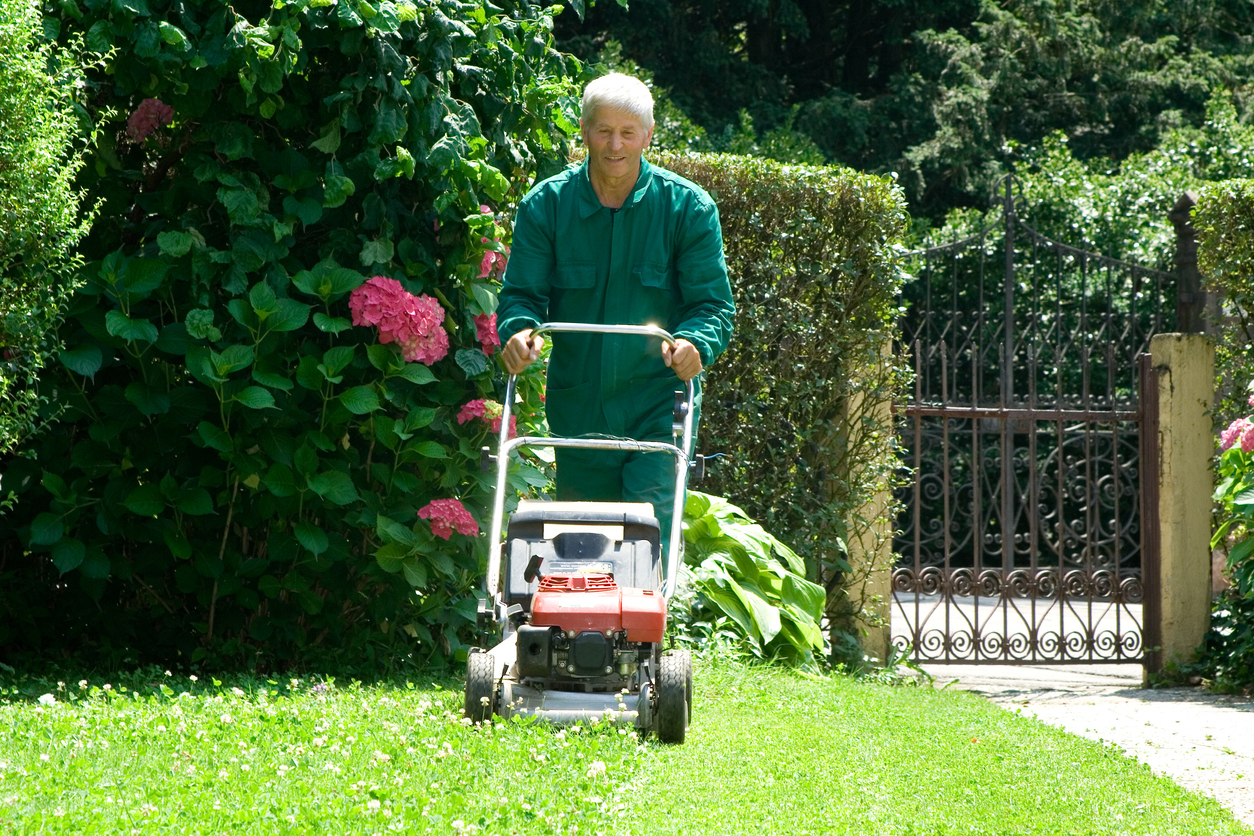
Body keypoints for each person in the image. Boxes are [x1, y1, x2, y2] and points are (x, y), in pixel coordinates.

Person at [496, 72, 735, 555]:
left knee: (645, 538)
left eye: (628, 133)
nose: (615, 145)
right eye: (603, 131)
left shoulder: (687, 208)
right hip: (579, 404)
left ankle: (646, 629)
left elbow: (712, 306)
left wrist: (695, 344)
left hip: (657, 401)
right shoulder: (547, 206)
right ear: (584, 131)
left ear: (648, 135)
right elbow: (521, 295)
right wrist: (520, 333)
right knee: (582, 544)